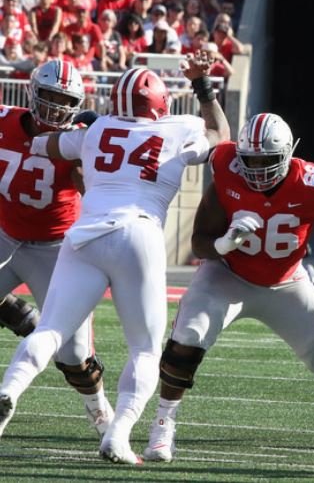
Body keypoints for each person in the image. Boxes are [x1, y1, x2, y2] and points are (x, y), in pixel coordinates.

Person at [142, 113, 314, 469]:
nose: (255, 169)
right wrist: (225, 244)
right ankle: (162, 427)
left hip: (286, 280)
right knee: (186, 339)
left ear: (288, 154)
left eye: (265, 161)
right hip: (228, 274)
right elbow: (199, 242)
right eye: (249, 160)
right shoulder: (226, 165)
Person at [0, 54, 230, 464]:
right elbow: (220, 132)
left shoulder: (96, 130)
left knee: (51, 329)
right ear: (161, 106)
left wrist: (85, 128)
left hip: (82, 235)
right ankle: (118, 435)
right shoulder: (180, 127)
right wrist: (202, 86)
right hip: (138, 234)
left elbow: (44, 143)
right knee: (143, 348)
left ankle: (9, 390)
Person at [0, 59, 116, 439]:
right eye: (48, 96)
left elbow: (98, 188)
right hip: (4, 233)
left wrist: (94, 152)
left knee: (74, 355)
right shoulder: (4, 121)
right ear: (33, 92)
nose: (53, 107)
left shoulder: (77, 142)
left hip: (55, 250)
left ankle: (98, 407)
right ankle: (18, 315)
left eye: (62, 100)